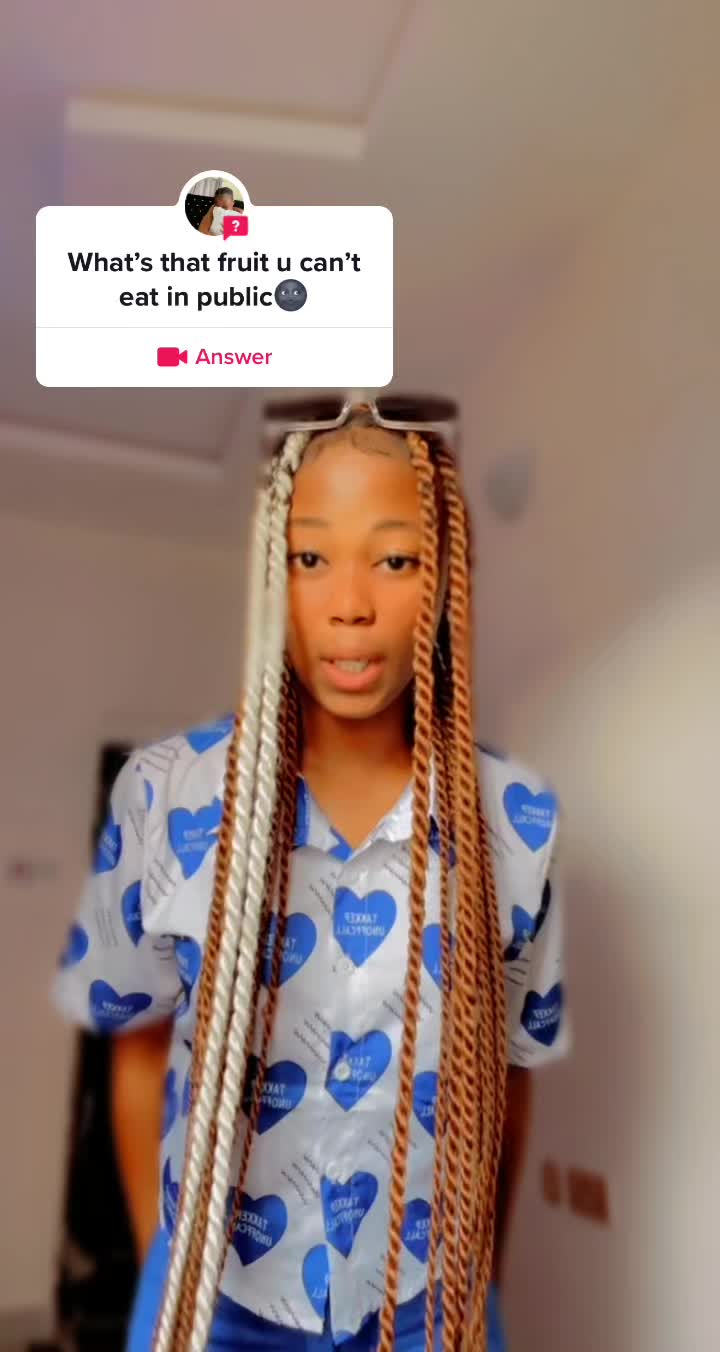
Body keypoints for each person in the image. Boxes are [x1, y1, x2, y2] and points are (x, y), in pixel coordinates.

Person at [53, 399, 569, 1351]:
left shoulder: (515, 817)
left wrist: (481, 1270)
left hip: (432, 1299)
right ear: (270, 577)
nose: (350, 604)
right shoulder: (165, 795)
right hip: (215, 1299)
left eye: (395, 559)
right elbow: (136, 1046)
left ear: (446, 584)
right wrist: (168, 1262)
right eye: (310, 556)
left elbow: (508, 1066)